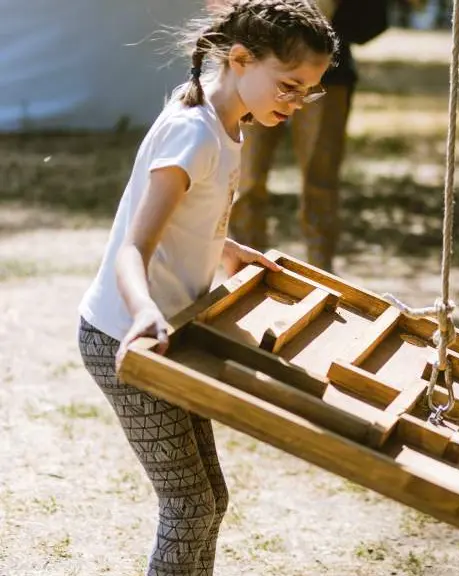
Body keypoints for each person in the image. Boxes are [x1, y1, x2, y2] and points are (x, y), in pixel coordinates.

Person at [76, 1, 337, 573]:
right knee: (189, 506)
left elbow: (191, 215)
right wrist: (144, 311)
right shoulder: (193, 134)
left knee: (209, 501)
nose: (296, 103)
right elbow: (132, 248)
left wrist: (227, 249)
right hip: (125, 337)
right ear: (240, 59)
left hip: (175, 332)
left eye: (308, 92)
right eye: (289, 86)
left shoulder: (224, 122)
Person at [228, 0, 356, 271]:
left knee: (320, 182)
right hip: (262, 69)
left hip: (328, 74)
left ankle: (322, 276)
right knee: (246, 180)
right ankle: (245, 273)